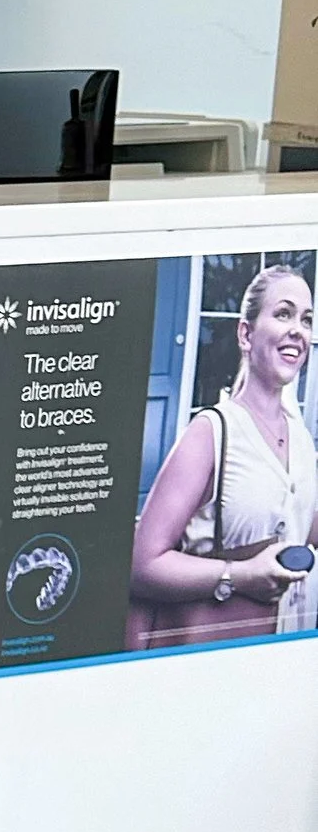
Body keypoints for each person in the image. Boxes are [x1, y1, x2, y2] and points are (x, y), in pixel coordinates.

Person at [130, 261, 317, 646]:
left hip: (283, 655)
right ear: (246, 334)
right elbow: (142, 566)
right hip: (215, 656)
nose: (298, 330)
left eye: (307, 319)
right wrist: (241, 575)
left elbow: (302, 530)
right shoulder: (211, 432)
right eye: (283, 314)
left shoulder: (301, 439)